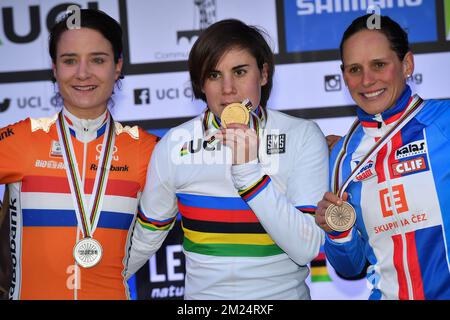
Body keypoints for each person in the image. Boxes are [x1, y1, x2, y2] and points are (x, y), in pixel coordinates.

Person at [126, 19, 328, 300]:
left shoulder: (301, 135)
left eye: (240, 71)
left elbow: (307, 247)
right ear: (201, 84)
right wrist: (85, 285)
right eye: (214, 75)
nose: (228, 88)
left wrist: (249, 173)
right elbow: (144, 240)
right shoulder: (175, 143)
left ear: (264, 74)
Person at [0, 8, 158, 299]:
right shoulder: (21, 139)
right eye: (70, 60)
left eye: (97, 60)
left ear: (118, 66)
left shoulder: (145, 149)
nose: (83, 73)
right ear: (55, 68)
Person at [315, 14, 450, 300]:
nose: (366, 80)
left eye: (379, 64)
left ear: (407, 65)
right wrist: (338, 233)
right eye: (354, 69)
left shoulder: (445, 123)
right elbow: (350, 267)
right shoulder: (341, 156)